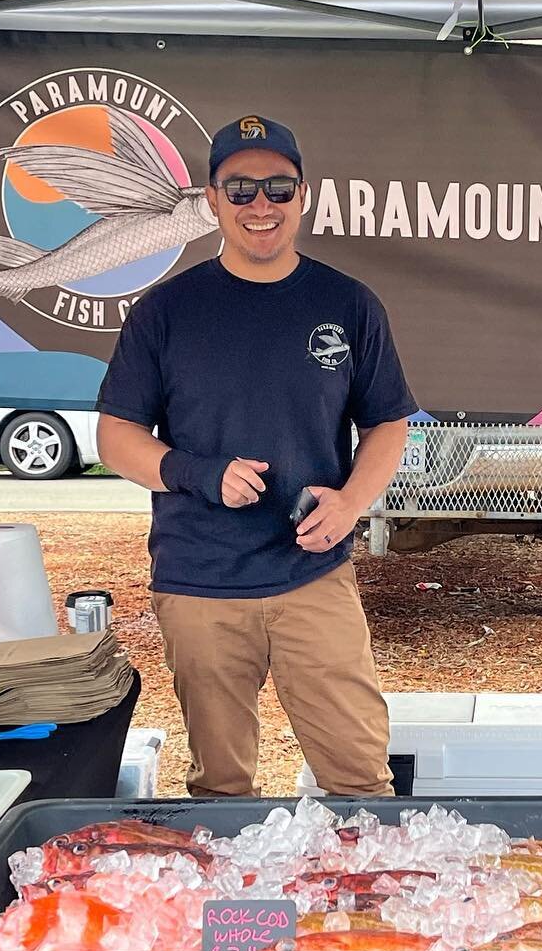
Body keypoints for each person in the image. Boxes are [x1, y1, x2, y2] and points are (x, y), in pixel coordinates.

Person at [95, 114, 415, 797]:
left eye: (278, 186)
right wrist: (198, 473)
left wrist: (352, 503)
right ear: (212, 201)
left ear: (304, 195)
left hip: (313, 573)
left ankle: (361, 899)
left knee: (360, 777)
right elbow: (116, 437)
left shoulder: (348, 303)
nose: (260, 205)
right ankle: (232, 907)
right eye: (240, 189)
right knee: (221, 789)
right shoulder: (166, 311)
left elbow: (388, 423)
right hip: (199, 579)